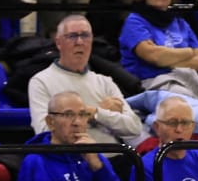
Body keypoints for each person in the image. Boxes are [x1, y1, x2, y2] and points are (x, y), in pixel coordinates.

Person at [30, 13, 146, 148]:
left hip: (115, 157)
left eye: (85, 36)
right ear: (59, 43)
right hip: (73, 159)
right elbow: (44, 131)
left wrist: (97, 113)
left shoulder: (104, 82)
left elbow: (134, 127)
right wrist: (90, 114)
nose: (79, 42)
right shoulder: (41, 81)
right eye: (72, 36)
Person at [118, 0, 198, 126]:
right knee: (187, 107)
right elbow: (154, 57)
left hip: (190, 77)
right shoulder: (135, 21)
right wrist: (188, 52)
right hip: (156, 81)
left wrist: (167, 56)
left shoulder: (179, 21)